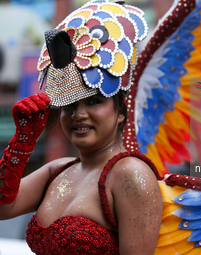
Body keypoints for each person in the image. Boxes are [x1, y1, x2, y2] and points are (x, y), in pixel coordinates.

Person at [0, 1, 163, 254]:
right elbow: (2, 208)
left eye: (94, 101)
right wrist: (23, 142)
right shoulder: (56, 171)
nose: (79, 114)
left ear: (121, 111)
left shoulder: (130, 174)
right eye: (69, 105)